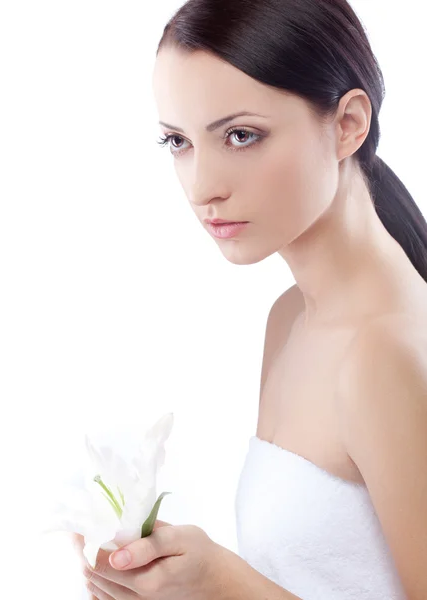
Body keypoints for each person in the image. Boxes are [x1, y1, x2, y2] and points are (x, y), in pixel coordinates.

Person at [77, 1, 427, 598]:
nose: (201, 186)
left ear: (347, 125)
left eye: (241, 135)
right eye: (177, 142)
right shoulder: (292, 317)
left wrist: (225, 583)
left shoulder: (385, 354)